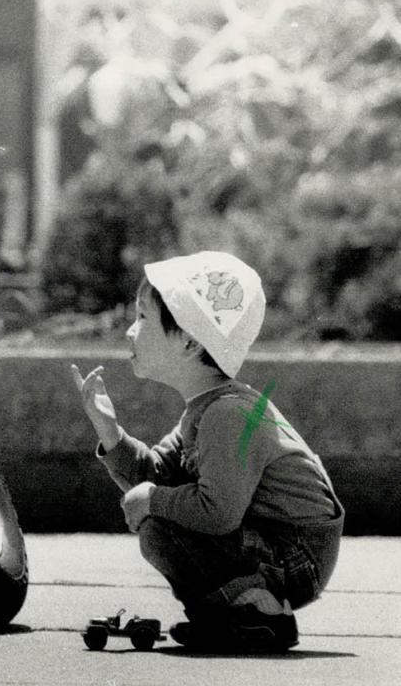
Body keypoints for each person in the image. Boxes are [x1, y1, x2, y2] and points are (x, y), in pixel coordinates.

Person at [69, 251, 343, 653]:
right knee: (160, 517)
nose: (130, 330)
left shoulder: (227, 414)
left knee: (161, 529)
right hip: (276, 548)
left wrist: (154, 499)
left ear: (189, 340)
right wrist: (108, 430)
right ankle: (236, 614)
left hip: (296, 557)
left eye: (143, 318)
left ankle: (259, 613)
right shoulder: (204, 410)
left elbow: (217, 513)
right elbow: (155, 474)